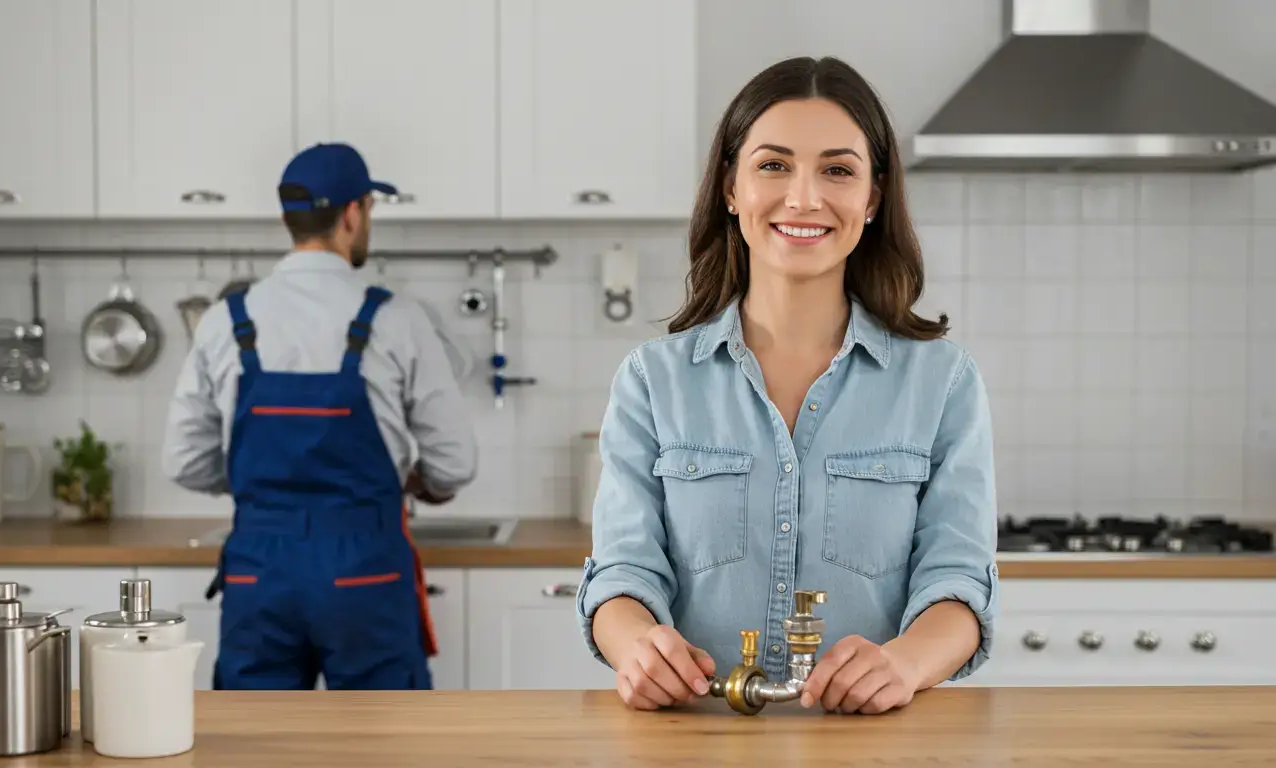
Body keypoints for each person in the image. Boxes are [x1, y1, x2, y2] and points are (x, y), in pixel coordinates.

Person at [576, 56, 998, 716]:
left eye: (837, 169)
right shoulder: (651, 380)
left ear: (873, 197)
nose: (804, 198)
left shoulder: (943, 383)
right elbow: (623, 574)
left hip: (874, 749)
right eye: (773, 165)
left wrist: (903, 663)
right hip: (694, 746)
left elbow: (959, 581)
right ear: (730, 188)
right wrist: (638, 647)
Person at [161, 142, 478, 691]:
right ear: (353, 214)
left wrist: (259, 487)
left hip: (260, 569)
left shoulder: (224, 321)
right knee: (383, 746)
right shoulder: (396, 318)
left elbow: (185, 461)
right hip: (367, 570)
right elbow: (455, 463)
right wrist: (417, 482)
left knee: (257, 747)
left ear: (290, 218)